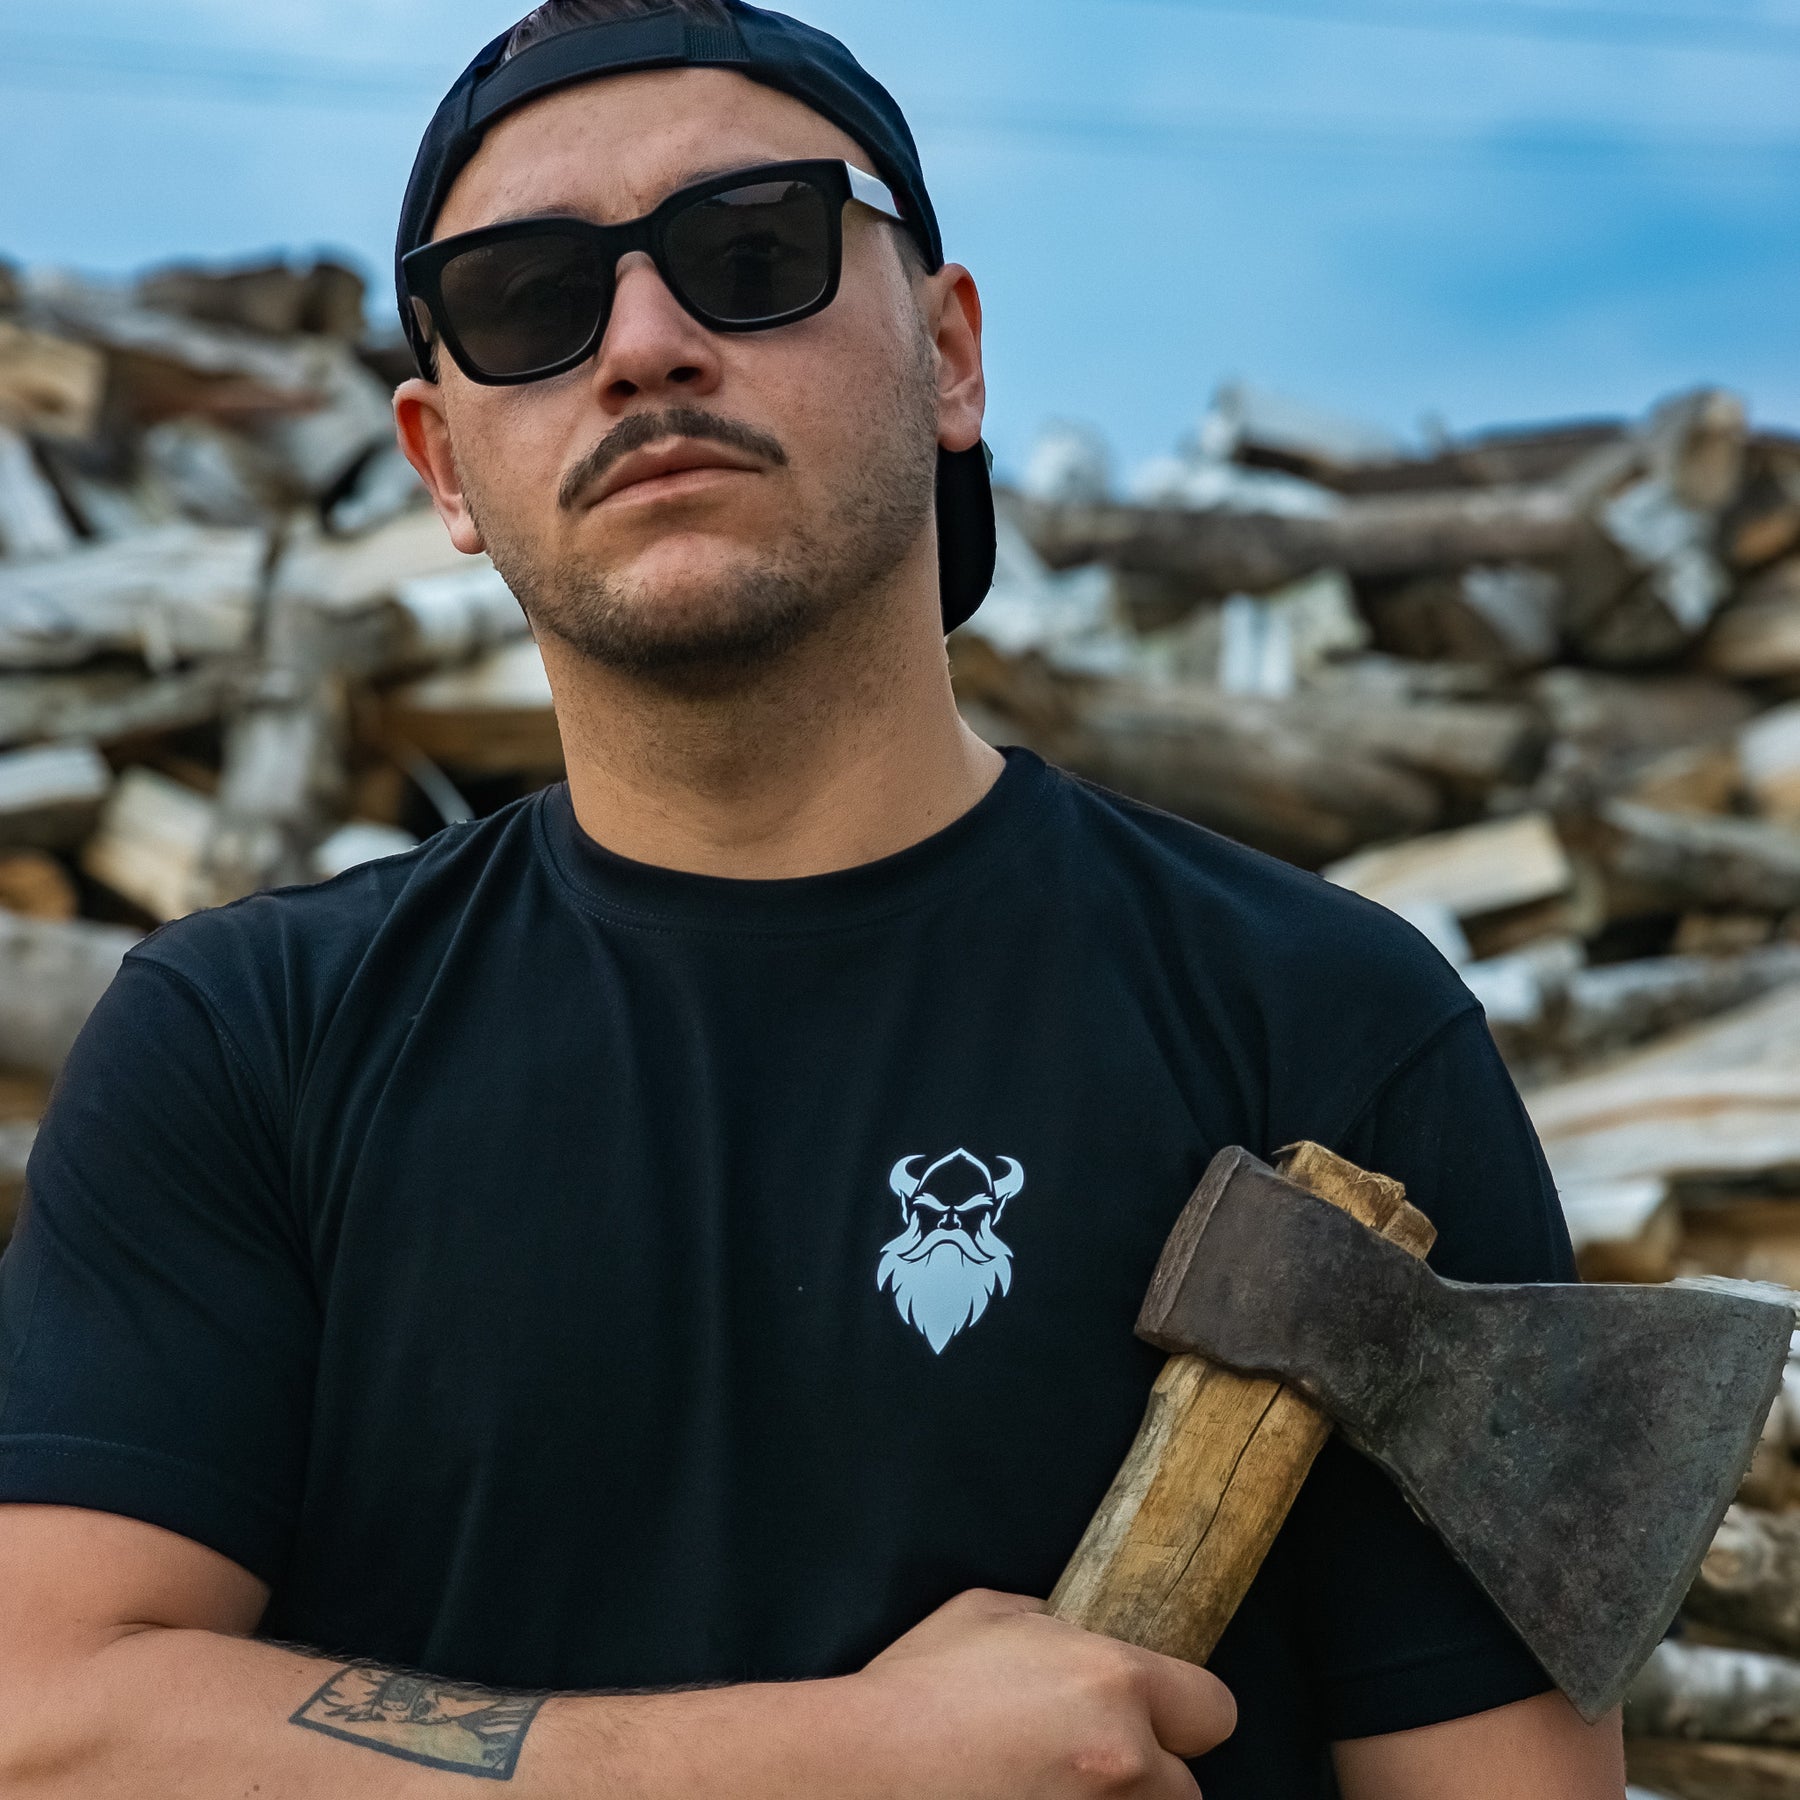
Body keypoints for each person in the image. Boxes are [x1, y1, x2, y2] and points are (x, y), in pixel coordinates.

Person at [0, 2, 1626, 1795]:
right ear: (443, 463)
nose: (644, 345)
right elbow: (49, 1729)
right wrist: (844, 1759)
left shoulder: (1328, 1031)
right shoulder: (248, 1047)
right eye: (528, 301)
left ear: (950, 355)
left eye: (753, 252)